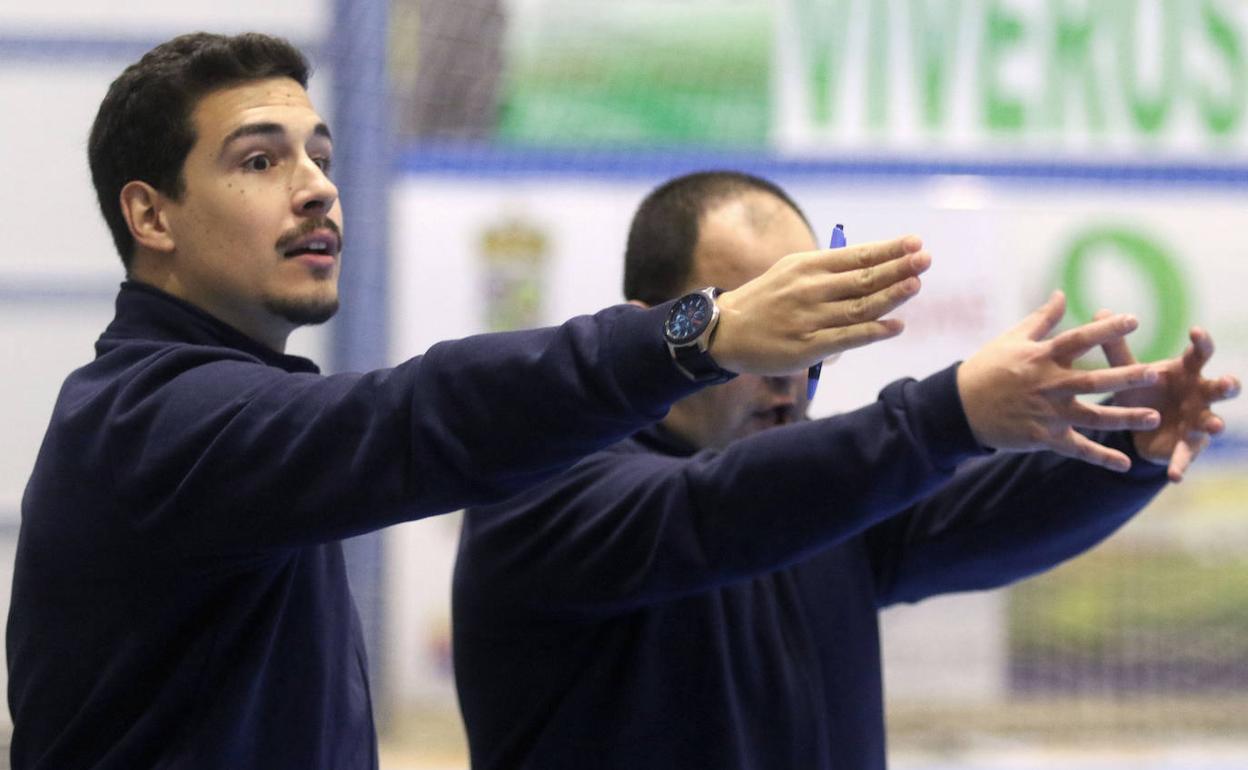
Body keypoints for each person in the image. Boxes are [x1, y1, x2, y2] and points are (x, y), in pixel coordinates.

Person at [5, 37, 939, 770]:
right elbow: (418, 416)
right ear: (152, 216)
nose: (318, 188)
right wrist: (700, 335)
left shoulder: (216, 414)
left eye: (320, 157)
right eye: (260, 161)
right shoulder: (157, 425)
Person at [452, 171, 1240, 770]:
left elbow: (974, 518)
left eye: (806, 330)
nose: (788, 369)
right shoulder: (535, 482)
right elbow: (705, 516)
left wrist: (1129, 456)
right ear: (653, 330)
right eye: (757, 329)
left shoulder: (812, 499)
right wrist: (947, 413)